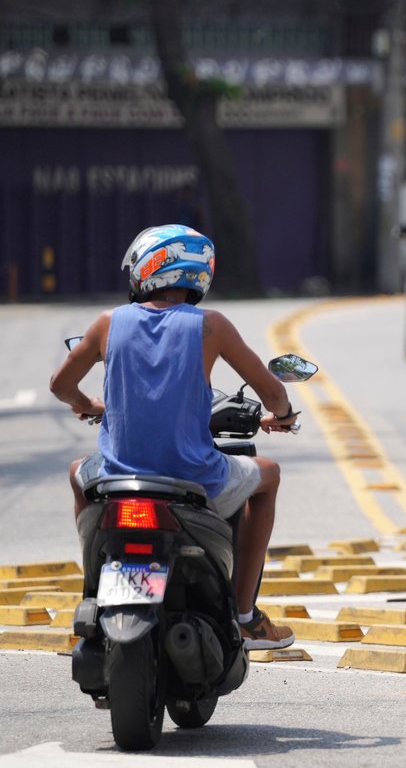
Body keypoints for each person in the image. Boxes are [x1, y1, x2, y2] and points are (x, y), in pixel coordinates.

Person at [50, 225, 299, 650]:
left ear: (147, 269)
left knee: (78, 472)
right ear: (198, 274)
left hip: (117, 481)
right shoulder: (211, 326)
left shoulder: (108, 323)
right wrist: (283, 415)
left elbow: (60, 385)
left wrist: (90, 405)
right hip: (195, 481)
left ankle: (94, 588)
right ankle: (243, 615)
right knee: (269, 475)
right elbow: (272, 391)